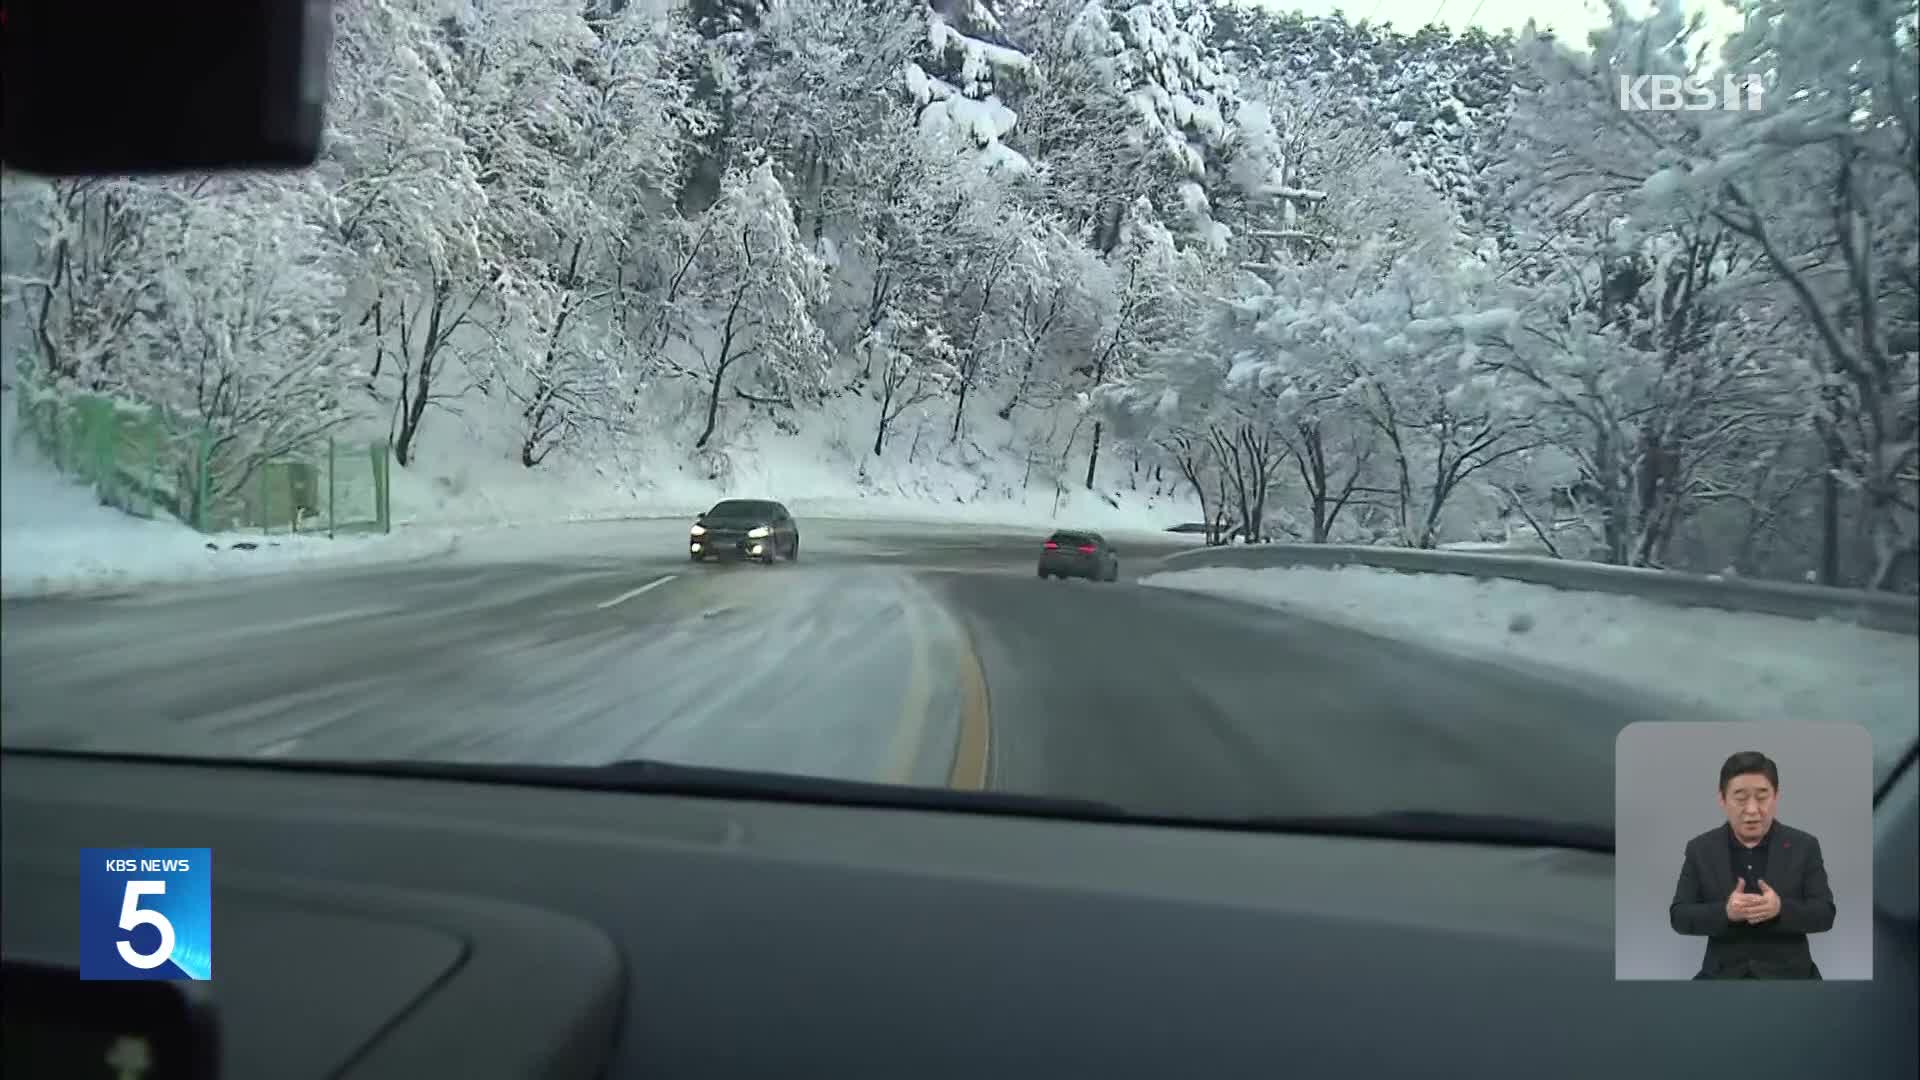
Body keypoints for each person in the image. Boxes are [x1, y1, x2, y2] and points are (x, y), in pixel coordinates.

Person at [1668, 751, 1836, 979]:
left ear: (1776, 796)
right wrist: (1725, 912)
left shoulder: (1804, 846)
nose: (1752, 809)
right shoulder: (1700, 849)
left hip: (1791, 977)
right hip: (1721, 978)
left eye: (1762, 796)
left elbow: (1825, 914)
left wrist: (1779, 909)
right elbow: (1679, 916)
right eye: (1740, 797)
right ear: (1722, 799)